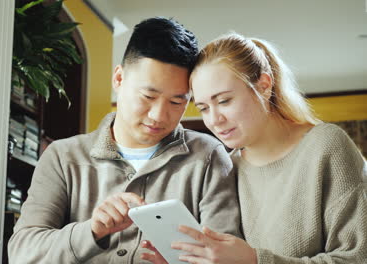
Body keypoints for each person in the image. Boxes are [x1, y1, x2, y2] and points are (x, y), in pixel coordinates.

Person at [8, 18, 243, 264]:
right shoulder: (62, 156)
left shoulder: (207, 156)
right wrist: (92, 230)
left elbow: (225, 254)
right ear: (119, 79)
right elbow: (22, 254)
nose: (159, 116)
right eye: (148, 96)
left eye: (177, 102)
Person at [143, 32, 367, 264]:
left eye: (224, 101)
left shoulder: (326, 147)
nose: (214, 120)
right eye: (203, 108)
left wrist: (255, 260)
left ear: (263, 86)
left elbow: (358, 258)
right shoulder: (224, 169)